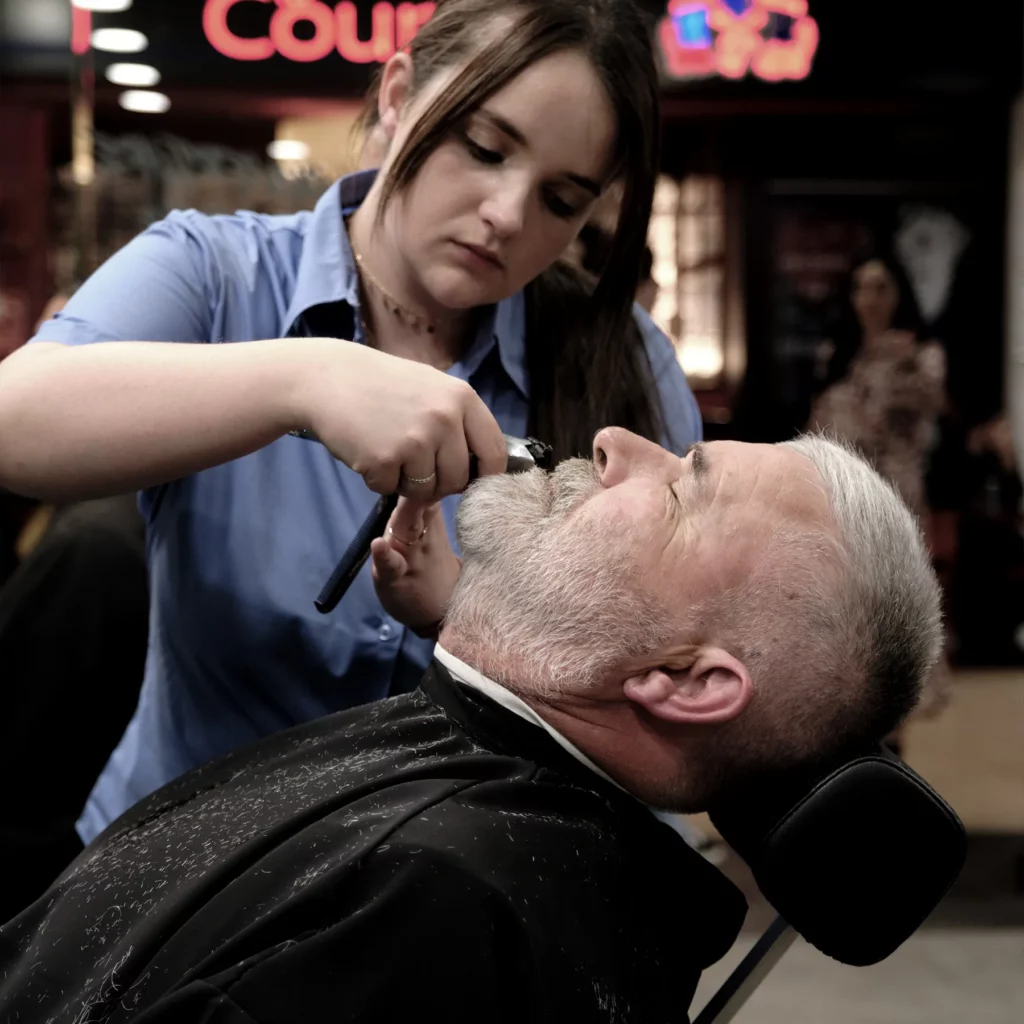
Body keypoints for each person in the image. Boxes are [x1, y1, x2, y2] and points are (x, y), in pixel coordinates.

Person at [0, 0, 702, 848]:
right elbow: (16, 419)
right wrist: (303, 378)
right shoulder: (219, 276)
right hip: (181, 883)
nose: (509, 215)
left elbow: (672, 676)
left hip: (477, 897)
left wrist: (468, 622)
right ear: (399, 94)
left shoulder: (621, 361)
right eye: (485, 149)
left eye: (561, 200)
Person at [0, 427, 942, 1023]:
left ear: (682, 682)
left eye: (680, 488)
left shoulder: (433, 915)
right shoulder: (473, 836)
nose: (615, 443)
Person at [808, 251, 951, 727]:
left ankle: (895, 729)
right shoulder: (838, 352)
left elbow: (932, 404)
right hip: (842, 492)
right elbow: (818, 424)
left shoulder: (919, 353)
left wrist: (896, 363)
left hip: (897, 492)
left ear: (898, 294)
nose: (868, 299)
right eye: (860, 287)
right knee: (848, 604)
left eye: (880, 287)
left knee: (897, 604)